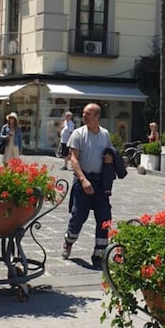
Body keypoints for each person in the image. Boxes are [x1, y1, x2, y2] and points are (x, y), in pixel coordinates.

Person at [62, 103, 120, 268]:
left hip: (100, 183)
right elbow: (73, 159)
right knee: (78, 217)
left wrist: (110, 158)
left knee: (104, 218)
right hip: (83, 181)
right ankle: (69, 241)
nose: (84, 116)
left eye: (88, 113)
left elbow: (109, 153)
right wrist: (83, 180)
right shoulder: (78, 134)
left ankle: (99, 255)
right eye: (83, 113)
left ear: (97, 117)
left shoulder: (105, 134)